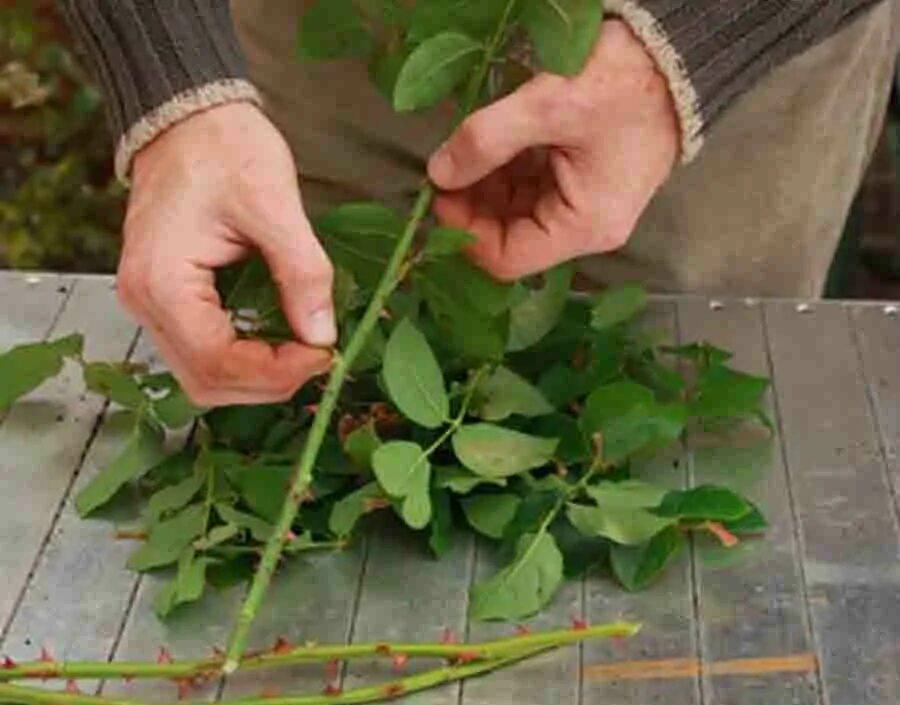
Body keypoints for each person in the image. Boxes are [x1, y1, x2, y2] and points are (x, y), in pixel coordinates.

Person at [60, 1, 900, 407]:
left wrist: (691, 56)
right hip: (331, 42)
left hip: (726, 61)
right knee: (308, 391)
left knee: (678, 422)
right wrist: (173, 87)